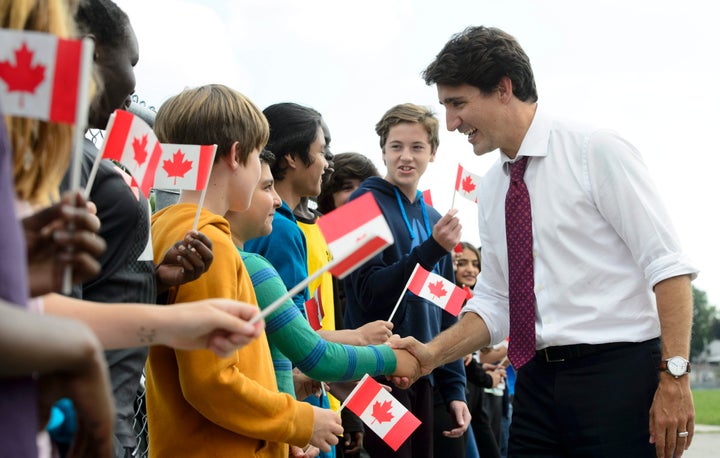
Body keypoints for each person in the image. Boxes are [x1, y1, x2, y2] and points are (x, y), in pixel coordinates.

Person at [389, 25, 698, 458]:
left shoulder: (596, 151)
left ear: (503, 89)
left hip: (618, 380)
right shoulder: (495, 185)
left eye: (458, 104)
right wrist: (428, 356)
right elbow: (495, 301)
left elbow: (669, 268)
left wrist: (676, 377)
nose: (452, 123)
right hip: (534, 384)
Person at [147, 84, 343, 457]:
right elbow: (212, 382)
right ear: (237, 155)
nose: (260, 177)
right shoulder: (209, 242)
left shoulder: (166, 227)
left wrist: (278, 434)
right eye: (258, 158)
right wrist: (299, 421)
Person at [226, 149, 420, 457]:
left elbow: (292, 344)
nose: (275, 199)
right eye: (265, 186)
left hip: (310, 397)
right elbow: (305, 347)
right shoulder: (274, 243)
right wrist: (387, 354)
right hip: (282, 412)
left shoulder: (304, 234)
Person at [343, 103, 469, 458]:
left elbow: (447, 311)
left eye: (417, 147)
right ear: (382, 149)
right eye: (396, 146)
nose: (406, 157)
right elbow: (366, 295)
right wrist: (430, 250)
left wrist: (456, 388)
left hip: (423, 374)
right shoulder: (355, 206)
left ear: (433, 152)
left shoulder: (434, 217)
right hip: (373, 375)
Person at [316, 151, 381, 458]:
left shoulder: (370, 246)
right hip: (322, 385)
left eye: (365, 186)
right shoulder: (311, 237)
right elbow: (343, 325)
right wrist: (352, 415)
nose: (357, 195)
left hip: (366, 380)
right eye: (347, 186)